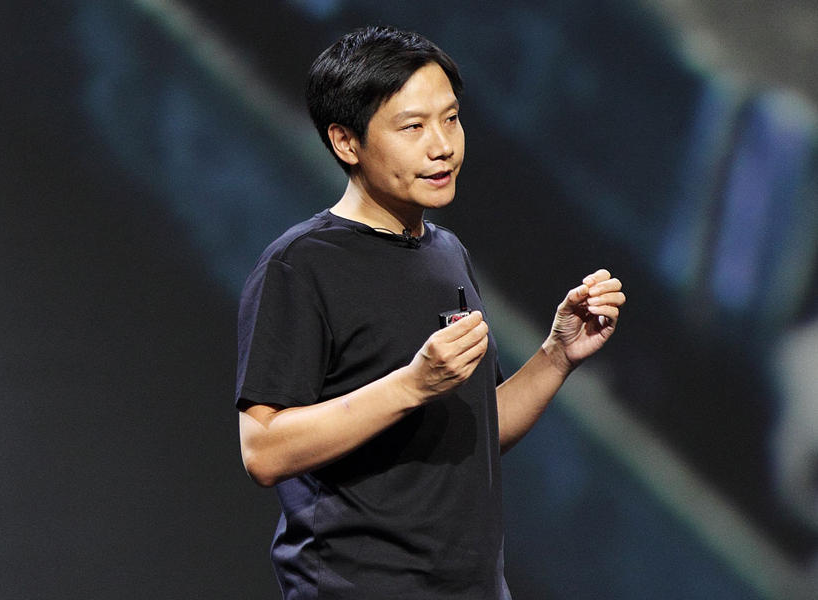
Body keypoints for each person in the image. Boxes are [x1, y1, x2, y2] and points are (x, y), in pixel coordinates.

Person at [235, 26, 625, 600]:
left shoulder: (447, 253)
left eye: (451, 119)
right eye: (413, 127)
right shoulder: (300, 265)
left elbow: (475, 432)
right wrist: (412, 385)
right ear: (346, 142)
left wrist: (557, 355)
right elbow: (263, 450)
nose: (442, 146)